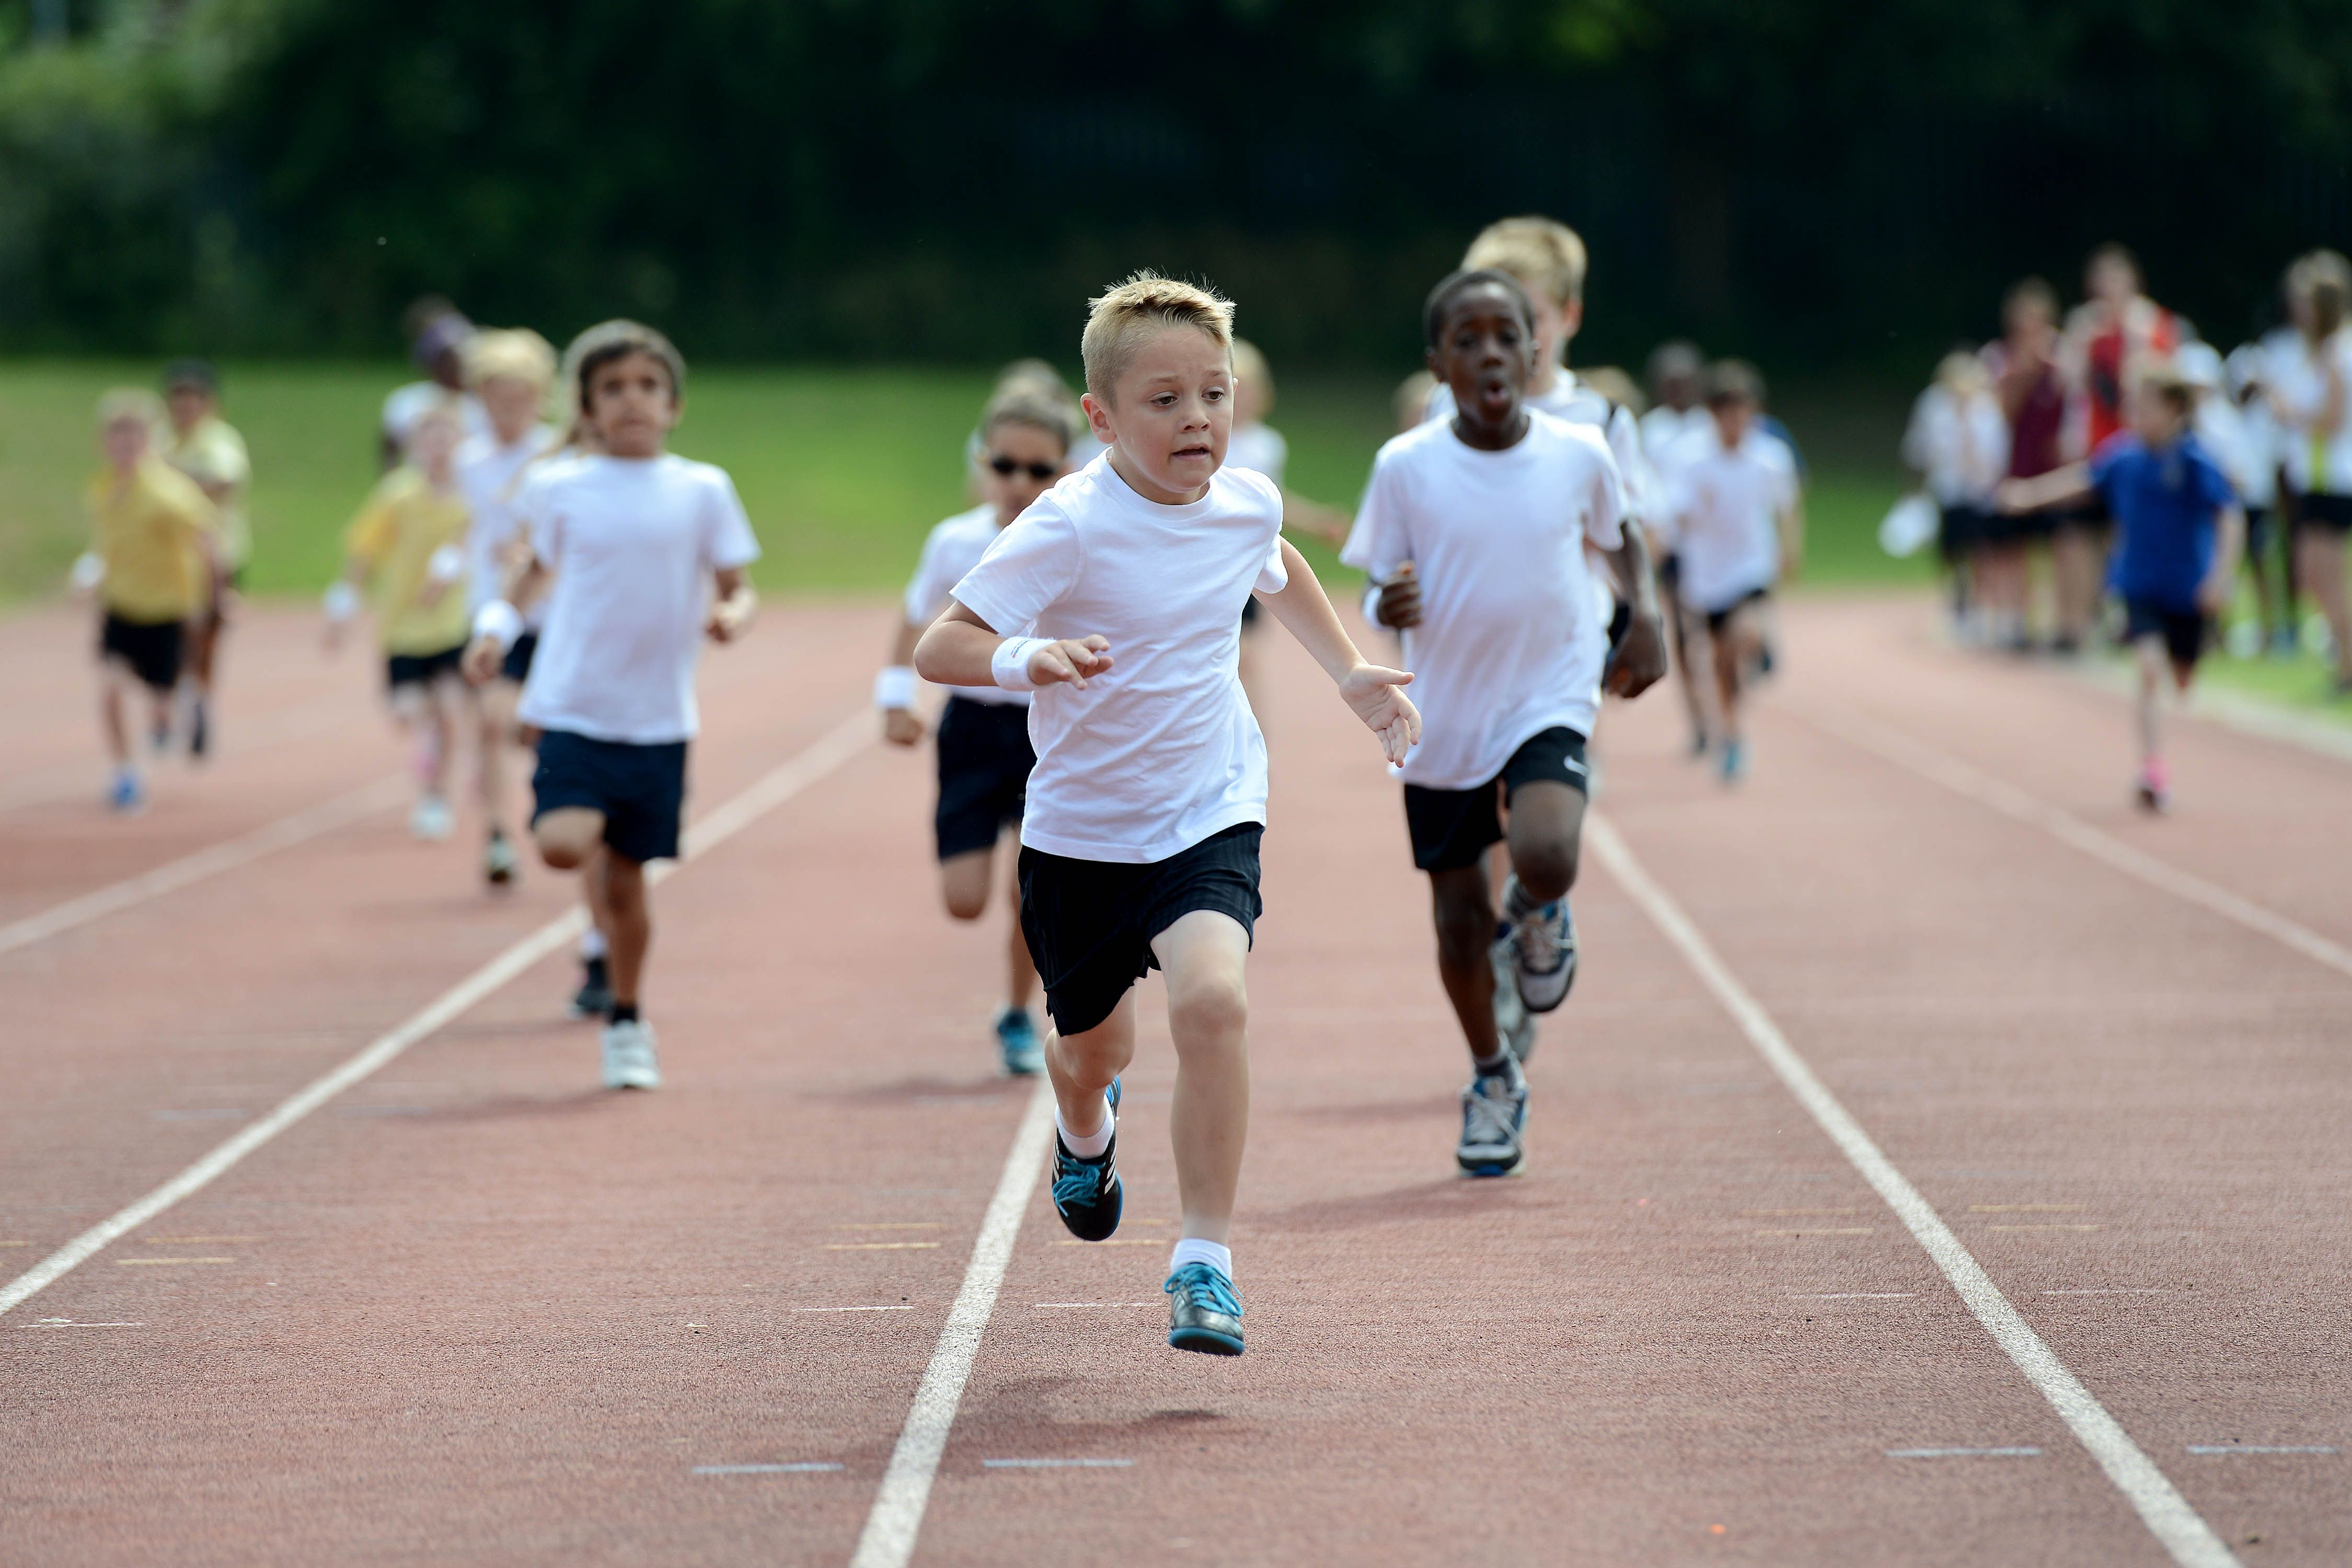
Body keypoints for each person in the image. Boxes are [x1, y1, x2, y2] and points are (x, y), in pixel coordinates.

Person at [914, 272, 1419, 1356]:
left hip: (1209, 806)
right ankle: (1083, 1130)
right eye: (1165, 401)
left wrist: (1344, 673)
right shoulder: (1069, 524)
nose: (1198, 419)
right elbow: (939, 645)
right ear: (1100, 417)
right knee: (1094, 1053)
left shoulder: (1245, 496)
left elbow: (1271, 563)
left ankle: (1205, 1262)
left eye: (1215, 394)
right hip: (1082, 833)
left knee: (1216, 1002)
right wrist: (1025, 655)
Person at [1344, 268, 1665, 1177]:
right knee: (1454, 921)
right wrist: (1386, 591)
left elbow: (1623, 534)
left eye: (1505, 335)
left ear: (1534, 351)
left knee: (1548, 853)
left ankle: (1537, 916)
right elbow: (1378, 575)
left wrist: (1644, 614)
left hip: (1549, 690)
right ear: (1438, 363)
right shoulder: (1405, 466)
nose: (1489, 351)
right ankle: (1493, 1075)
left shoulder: (1576, 452)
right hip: (1444, 705)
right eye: (1467, 338)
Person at [463, 320, 760, 1091]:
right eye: (613, 389)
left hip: (657, 720)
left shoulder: (702, 489)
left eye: (647, 387)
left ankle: (627, 1016)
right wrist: (494, 631)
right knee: (563, 842)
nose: (633, 401)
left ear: (674, 403)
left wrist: (733, 616)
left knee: (627, 885)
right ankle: (586, 858)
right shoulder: (560, 487)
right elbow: (529, 577)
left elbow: (739, 586)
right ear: (588, 409)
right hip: (570, 707)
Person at [881, 387, 1075, 1076]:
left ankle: (1020, 1013)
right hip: (968, 728)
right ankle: (1014, 1008)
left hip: (1044, 727)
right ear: (983, 463)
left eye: (1039, 469)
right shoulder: (956, 538)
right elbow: (914, 616)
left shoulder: (1073, 535)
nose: (1020, 483)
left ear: (1066, 468)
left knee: (1030, 892)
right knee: (964, 901)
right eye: (1006, 465)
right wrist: (895, 696)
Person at [2000, 366, 2242, 810]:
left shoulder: (2194, 462)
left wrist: (2220, 578)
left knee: (2183, 680)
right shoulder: (2123, 457)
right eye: (2133, 404)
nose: (2135, 413)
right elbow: (2080, 481)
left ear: (2173, 411)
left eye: (2145, 405)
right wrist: (2029, 495)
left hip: (2188, 589)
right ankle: (2152, 767)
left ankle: (2184, 671)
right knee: (2149, 668)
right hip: (2138, 582)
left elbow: (2229, 516)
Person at [327, 400, 477, 842]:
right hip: (401, 624)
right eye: (430, 437)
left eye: (447, 437)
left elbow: (478, 541)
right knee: (408, 712)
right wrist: (342, 608)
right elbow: (364, 551)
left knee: (450, 710)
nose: (439, 447)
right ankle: (430, 748)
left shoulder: (472, 494)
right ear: (416, 445)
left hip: (451, 622)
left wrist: (447, 573)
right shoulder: (398, 494)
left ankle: (435, 796)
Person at [75, 389, 224, 813]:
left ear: (149, 441)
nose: (123, 447)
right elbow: (107, 545)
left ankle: (176, 707)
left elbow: (208, 540)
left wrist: (215, 597)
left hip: (165, 611)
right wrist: (89, 575)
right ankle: (125, 772)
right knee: (110, 686)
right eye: (116, 437)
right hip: (121, 608)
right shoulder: (103, 489)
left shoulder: (169, 493)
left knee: (161, 704)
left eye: (133, 437)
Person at [1657, 361, 1802, 783]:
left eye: (1744, 412)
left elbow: (1787, 505)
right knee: (1721, 661)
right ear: (1712, 415)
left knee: (1744, 633)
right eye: (1727, 414)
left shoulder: (1769, 456)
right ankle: (1732, 735)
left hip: (1751, 566)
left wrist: (1791, 547)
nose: (1736, 423)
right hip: (1707, 575)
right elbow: (1676, 515)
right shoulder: (1691, 458)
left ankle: (1759, 643)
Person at [456, 328, 564, 888]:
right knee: (493, 723)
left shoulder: (557, 455)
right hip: (495, 614)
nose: (508, 407)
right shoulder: (467, 462)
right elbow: (453, 530)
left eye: (519, 395)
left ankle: (556, 805)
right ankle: (498, 836)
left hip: (556, 616)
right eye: (497, 394)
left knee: (538, 730)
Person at [2055, 246, 2182, 652]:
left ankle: (2126, 618)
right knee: (2081, 534)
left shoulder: (2152, 323)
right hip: (2097, 448)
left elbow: (2154, 381)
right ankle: (2084, 620)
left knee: (2126, 536)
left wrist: (2131, 334)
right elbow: (2069, 386)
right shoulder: (2089, 330)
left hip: (2135, 448)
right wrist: (2076, 343)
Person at [1225, 337, 1352, 705]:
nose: (1241, 400)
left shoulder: (1267, 445)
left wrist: (1316, 522)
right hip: (1210, 556)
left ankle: (1253, 748)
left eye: (1249, 389)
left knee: (1242, 655)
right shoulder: (1203, 439)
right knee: (1228, 654)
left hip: (1249, 564)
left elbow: (1274, 502)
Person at [2267, 250, 2352, 694]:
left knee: (2325, 575)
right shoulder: (2318, 351)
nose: (2298, 311)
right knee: (2312, 575)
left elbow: (2332, 420)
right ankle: (2343, 655)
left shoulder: (2338, 353)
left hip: (2332, 478)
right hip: (2316, 477)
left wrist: (2286, 409)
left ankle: (2348, 666)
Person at [159, 360, 250, 759]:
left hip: (218, 553)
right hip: (169, 555)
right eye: (179, 402)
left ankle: (199, 697)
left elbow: (223, 484)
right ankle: (171, 696)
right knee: (169, 630)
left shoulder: (220, 442)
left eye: (193, 402)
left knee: (206, 636)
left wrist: (171, 484)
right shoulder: (160, 440)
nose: (186, 411)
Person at [1984, 279, 2069, 649]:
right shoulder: (1999, 359)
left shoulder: (2063, 356)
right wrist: (2023, 374)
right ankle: (2016, 620)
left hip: (2052, 472)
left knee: (2059, 547)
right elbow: (2000, 415)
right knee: (2013, 548)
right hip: (2015, 468)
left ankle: (2057, 620)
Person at [1902, 350, 2010, 642]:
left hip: (1979, 493)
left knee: (1981, 549)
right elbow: (1920, 449)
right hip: (1948, 490)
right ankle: (1958, 601)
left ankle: (1984, 606)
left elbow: (1997, 454)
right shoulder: (1933, 406)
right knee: (1951, 550)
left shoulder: (1986, 410)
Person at [2224, 340, 2291, 654]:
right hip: (2234, 501)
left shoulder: (2268, 419)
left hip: (2259, 502)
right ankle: (2225, 630)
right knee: (2229, 565)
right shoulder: (2228, 418)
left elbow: (2278, 465)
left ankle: (2271, 628)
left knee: (2263, 565)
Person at [382, 298, 489, 466]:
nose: (458, 365)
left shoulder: (485, 404)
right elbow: (389, 452)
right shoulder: (408, 402)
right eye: (449, 359)